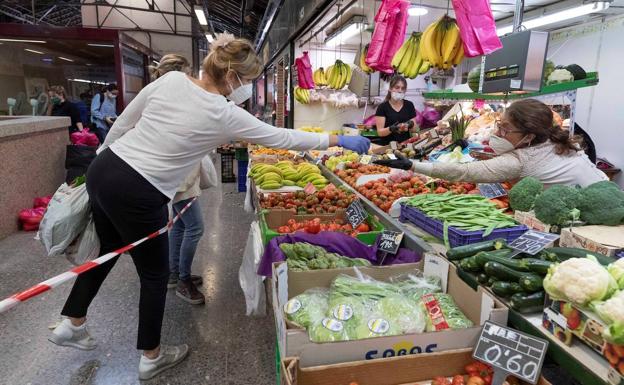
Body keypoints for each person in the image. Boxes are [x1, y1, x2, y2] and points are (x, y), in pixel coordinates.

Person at [49, 33, 370, 381]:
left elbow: (125, 122)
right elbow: (282, 137)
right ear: (232, 76)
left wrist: (101, 160)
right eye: (246, 81)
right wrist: (338, 139)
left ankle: (72, 321)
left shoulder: (171, 79)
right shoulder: (224, 113)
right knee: (155, 276)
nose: (246, 87)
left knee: (109, 250)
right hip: (140, 190)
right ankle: (151, 356)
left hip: (104, 168)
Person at [375, 98, 608, 187]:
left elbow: (464, 172)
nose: (497, 133)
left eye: (505, 129)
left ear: (528, 136)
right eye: (499, 125)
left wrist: (413, 166)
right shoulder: (559, 142)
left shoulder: (520, 160)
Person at [149, 53, 206, 305]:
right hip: (179, 176)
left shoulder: (161, 96)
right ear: (179, 74)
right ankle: (183, 281)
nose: (192, 77)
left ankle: (174, 274)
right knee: (195, 227)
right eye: (189, 72)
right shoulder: (171, 100)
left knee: (181, 226)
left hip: (176, 174)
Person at [374, 75, 418, 145]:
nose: (400, 91)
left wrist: (410, 125)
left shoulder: (409, 105)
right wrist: (392, 129)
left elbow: (414, 129)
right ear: (390, 89)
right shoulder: (382, 107)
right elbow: (380, 132)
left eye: (403, 88)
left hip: (405, 146)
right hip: (388, 147)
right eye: (397, 87)